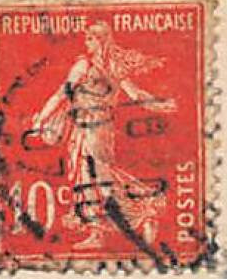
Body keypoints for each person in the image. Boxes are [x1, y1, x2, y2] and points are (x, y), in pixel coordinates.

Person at [30, 21, 176, 250]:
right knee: (97, 176)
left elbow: (61, 94)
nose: (86, 42)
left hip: (89, 128)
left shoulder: (84, 65)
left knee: (90, 176)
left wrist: (42, 119)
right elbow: (136, 94)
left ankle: (142, 211)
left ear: (100, 41)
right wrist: (160, 104)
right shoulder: (113, 67)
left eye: (90, 38)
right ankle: (119, 223)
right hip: (99, 128)